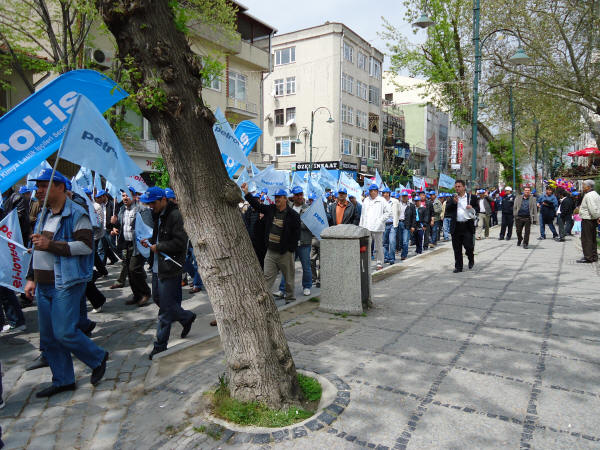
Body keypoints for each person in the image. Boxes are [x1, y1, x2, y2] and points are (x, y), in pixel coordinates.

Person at [24, 169, 108, 397]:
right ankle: (63, 380)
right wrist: (31, 278)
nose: (38, 191)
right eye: (38, 186)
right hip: (43, 284)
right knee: (49, 338)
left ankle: (98, 357)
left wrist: (51, 245)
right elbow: (37, 248)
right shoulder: (43, 214)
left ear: (60, 187)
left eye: (44, 186)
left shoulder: (77, 213)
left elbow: (86, 246)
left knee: (64, 332)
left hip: (65, 282)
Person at [139, 187, 195, 359]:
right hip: (158, 266)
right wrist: (150, 242)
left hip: (170, 267)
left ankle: (160, 345)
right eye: (149, 204)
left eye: (153, 203)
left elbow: (180, 243)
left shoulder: (176, 216)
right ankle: (186, 317)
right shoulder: (158, 214)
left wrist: (159, 246)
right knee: (158, 299)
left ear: (163, 200)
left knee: (165, 308)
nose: (151, 206)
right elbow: (159, 237)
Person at [241, 183, 301, 304]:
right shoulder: (271, 209)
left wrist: (290, 249)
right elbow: (257, 205)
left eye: (279, 197)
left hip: (285, 253)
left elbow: (296, 233)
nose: (277, 199)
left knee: (289, 278)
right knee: (267, 277)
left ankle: (290, 298)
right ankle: (264, 300)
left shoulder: (293, 215)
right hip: (271, 252)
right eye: (275, 197)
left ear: (285, 198)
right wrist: (246, 193)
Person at [110, 190, 153, 307]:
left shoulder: (142, 209)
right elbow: (120, 226)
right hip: (126, 244)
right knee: (129, 271)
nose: (125, 198)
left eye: (127, 195)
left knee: (134, 269)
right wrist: (114, 226)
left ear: (134, 196)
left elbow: (149, 227)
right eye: (123, 195)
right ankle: (137, 295)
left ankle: (146, 293)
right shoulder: (121, 210)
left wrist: (145, 241)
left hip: (138, 244)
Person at [276, 186, 313, 297]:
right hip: (291, 243)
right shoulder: (289, 207)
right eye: (297, 195)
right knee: (287, 267)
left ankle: (307, 287)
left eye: (301, 194)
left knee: (306, 266)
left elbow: (309, 225)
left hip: (304, 243)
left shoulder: (308, 209)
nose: (299, 197)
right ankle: (282, 289)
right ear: (293, 196)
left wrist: (294, 224)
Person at [445, 180, 478, 272]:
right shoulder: (452, 198)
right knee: (457, 248)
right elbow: (447, 210)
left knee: (469, 246)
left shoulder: (472, 197)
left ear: (464, 187)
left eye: (459, 186)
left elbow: (477, 208)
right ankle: (458, 267)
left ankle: (470, 257)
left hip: (467, 226)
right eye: (456, 187)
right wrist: (453, 203)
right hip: (456, 226)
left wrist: (472, 208)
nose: (457, 188)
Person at [359, 184, 391, 270]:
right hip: (367, 227)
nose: (372, 192)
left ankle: (379, 263)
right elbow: (363, 214)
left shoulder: (382, 200)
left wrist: (380, 220)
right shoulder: (366, 200)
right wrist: (361, 226)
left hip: (378, 227)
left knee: (378, 246)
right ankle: (366, 264)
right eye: (371, 191)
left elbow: (388, 212)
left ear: (377, 192)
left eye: (374, 191)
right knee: (366, 246)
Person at [577, 179, 600, 263]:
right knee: (592, 238)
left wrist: (596, 216)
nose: (583, 187)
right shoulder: (596, 194)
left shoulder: (589, 195)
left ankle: (588, 257)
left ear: (588, 187)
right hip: (592, 219)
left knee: (586, 239)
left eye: (584, 185)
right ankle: (594, 256)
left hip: (588, 219)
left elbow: (592, 208)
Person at [381, 187, 400, 264]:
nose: (385, 194)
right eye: (383, 193)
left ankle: (392, 258)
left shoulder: (395, 201)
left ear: (389, 193)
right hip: (384, 224)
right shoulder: (381, 202)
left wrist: (396, 220)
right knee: (385, 242)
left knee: (392, 241)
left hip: (392, 224)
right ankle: (386, 257)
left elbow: (399, 211)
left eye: (386, 193)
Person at [398, 191, 416, 260]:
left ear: (408, 197)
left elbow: (414, 216)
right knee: (400, 241)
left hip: (407, 224)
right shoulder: (398, 204)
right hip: (399, 223)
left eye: (405, 196)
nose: (404, 197)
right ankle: (403, 250)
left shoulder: (411, 206)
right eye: (403, 196)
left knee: (405, 241)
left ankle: (404, 255)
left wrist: (413, 226)